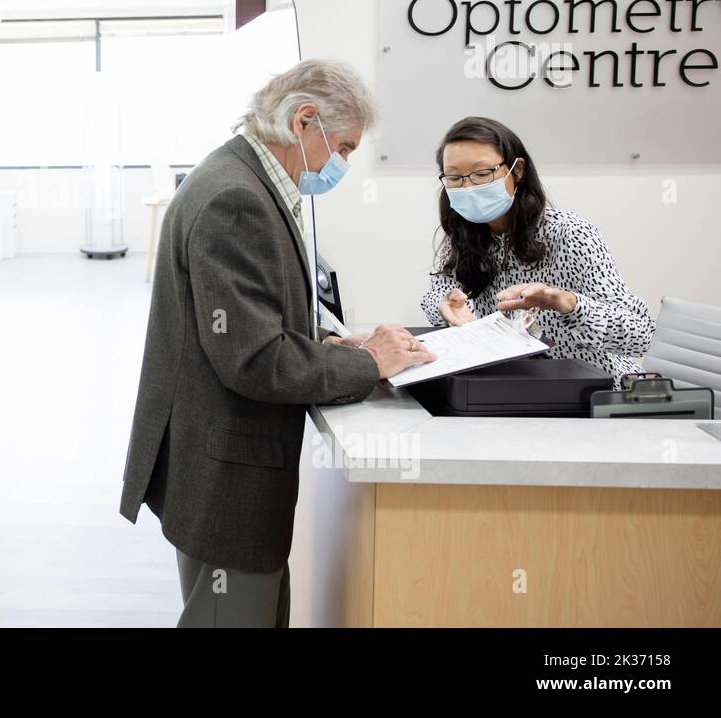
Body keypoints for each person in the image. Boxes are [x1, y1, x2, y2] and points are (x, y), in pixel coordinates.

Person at [118, 58, 434, 628]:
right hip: (225, 475)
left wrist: (335, 342)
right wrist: (366, 362)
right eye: (344, 147)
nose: (342, 164)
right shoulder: (233, 198)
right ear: (304, 121)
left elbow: (253, 316)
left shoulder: (240, 176)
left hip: (218, 463)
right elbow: (255, 359)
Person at [419, 116, 654, 379]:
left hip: (588, 389)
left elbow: (640, 336)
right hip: (512, 387)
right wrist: (444, 305)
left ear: (517, 170)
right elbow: (438, 296)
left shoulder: (570, 233)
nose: (468, 186)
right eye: (454, 178)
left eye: (482, 173)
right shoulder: (461, 237)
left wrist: (569, 304)